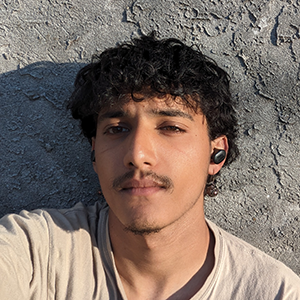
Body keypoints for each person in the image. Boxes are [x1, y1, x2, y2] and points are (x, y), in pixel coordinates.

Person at [0, 33, 299, 300]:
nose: (138, 154)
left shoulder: (273, 291)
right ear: (94, 153)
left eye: (170, 127)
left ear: (215, 154)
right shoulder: (33, 255)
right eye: (117, 129)